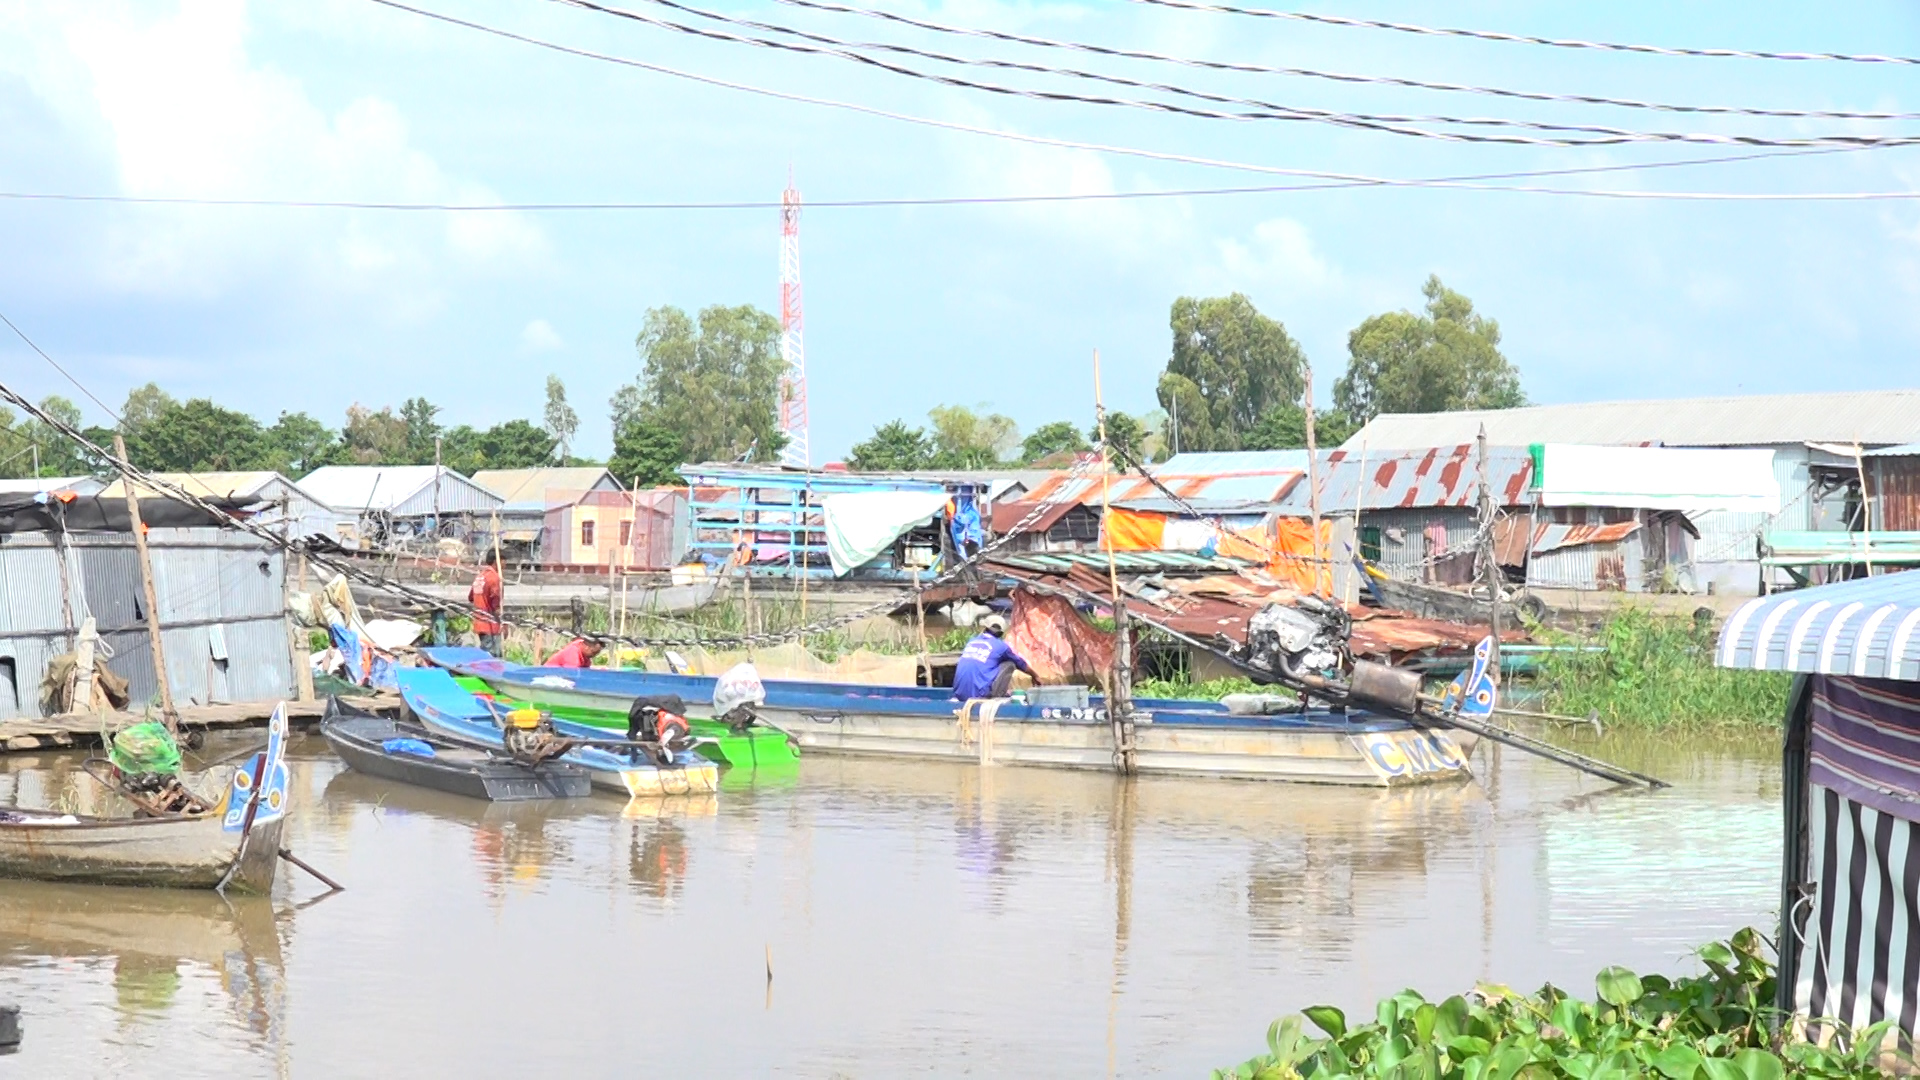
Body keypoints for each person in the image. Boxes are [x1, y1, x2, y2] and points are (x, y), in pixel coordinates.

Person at [950, 615, 1036, 700]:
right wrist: (1035, 676)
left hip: (959, 693)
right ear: (1001, 633)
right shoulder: (1001, 646)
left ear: (985, 628)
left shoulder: (971, 641)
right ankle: (997, 697)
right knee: (1009, 664)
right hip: (980, 694)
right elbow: (1021, 664)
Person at [469, 564, 504, 657]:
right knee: (493, 656)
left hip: (479, 622)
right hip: (491, 625)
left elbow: (471, 597)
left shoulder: (479, 577)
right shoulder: (494, 578)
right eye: (503, 561)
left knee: (485, 653)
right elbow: (495, 600)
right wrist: (502, 620)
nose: (504, 565)